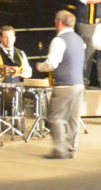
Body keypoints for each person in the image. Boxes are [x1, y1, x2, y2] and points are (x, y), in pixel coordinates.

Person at [38, 10, 90, 159]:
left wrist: (40, 67)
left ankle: (60, 149)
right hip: (79, 83)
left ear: (59, 23)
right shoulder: (80, 40)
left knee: (55, 117)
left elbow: (52, 63)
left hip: (65, 84)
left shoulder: (59, 40)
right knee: (73, 118)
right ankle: (71, 149)